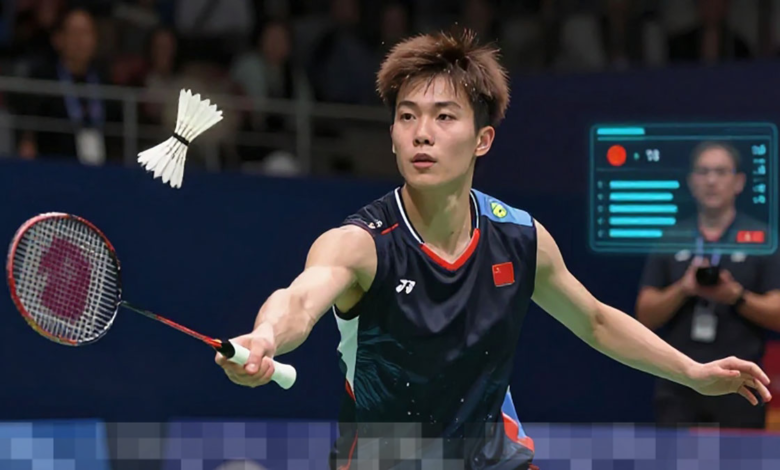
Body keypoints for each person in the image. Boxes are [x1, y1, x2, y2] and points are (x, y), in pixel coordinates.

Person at [216, 30, 772, 469]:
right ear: (392, 135)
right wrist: (265, 338)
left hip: (493, 457)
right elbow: (299, 300)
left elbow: (596, 321)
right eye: (407, 116)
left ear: (483, 139)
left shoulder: (520, 237)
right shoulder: (362, 244)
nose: (422, 133)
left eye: (444, 116)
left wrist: (693, 372)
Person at [636, 141, 780, 429]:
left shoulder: (762, 239)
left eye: (721, 172)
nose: (711, 180)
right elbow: (644, 314)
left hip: (740, 382)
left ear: (739, 182)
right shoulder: (671, 238)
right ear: (691, 181)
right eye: (703, 172)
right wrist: (684, 288)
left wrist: (735, 296)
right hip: (679, 380)